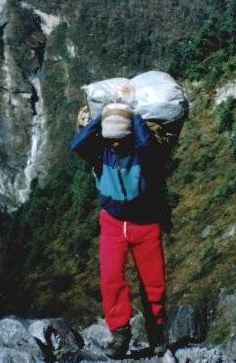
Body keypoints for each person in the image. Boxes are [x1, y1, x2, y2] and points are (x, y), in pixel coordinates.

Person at [71, 101, 173, 360]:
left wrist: (133, 115)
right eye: (110, 138)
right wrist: (102, 117)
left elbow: (149, 146)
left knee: (154, 282)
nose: (115, 143)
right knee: (111, 279)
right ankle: (120, 334)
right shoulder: (99, 151)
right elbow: (77, 145)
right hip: (113, 224)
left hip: (146, 223)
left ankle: (157, 333)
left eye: (120, 137)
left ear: (129, 134)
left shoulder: (141, 152)